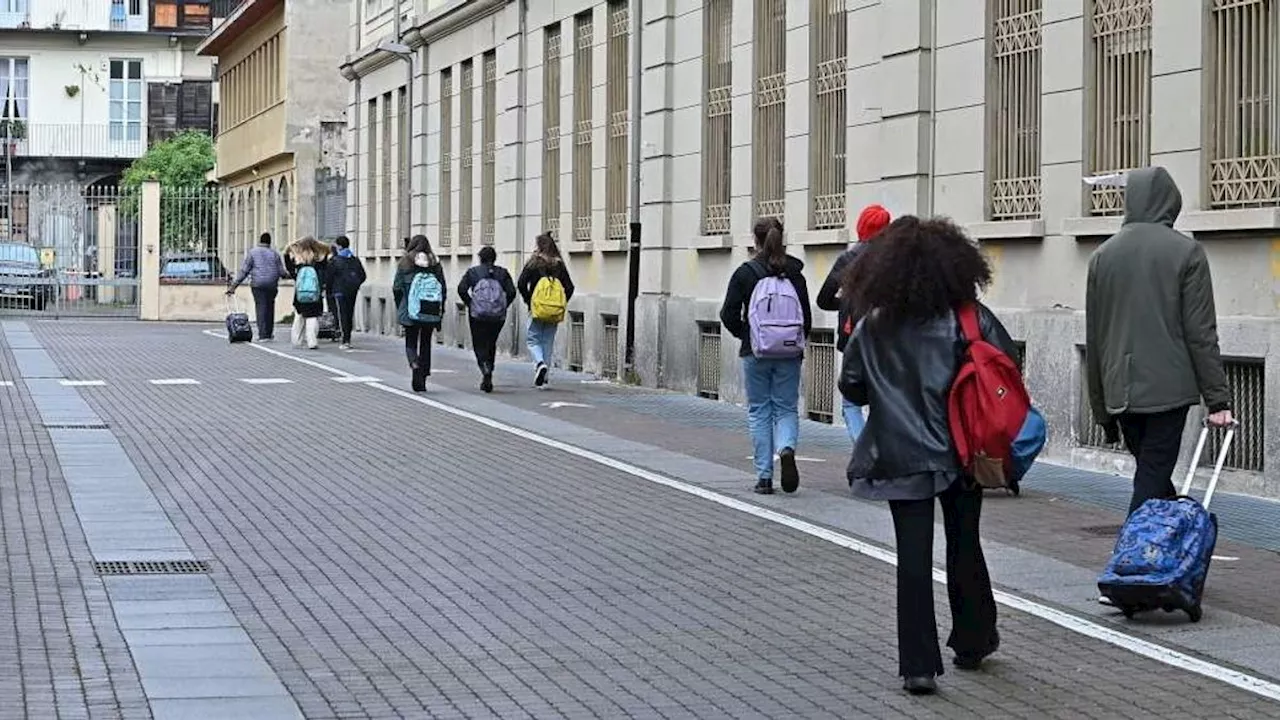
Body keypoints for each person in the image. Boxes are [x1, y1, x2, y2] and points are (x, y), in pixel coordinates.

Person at [839, 216, 1011, 696]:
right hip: (961, 449)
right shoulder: (968, 318)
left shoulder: (873, 325)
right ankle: (974, 638)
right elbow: (1005, 366)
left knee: (912, 559)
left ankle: (918, 665)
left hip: (899, 452)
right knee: (965, 540)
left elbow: (850, 385)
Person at [1087, 166, 1233, 517]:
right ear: (1171, 203)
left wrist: (1101, 409)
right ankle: (1131, 561)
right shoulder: (1187, 253)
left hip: (1119, 388)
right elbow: (1200, 333)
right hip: (1169, 391)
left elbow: (1095, 338)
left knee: (1153, 476)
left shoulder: (1102, 256)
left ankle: (1164, 556)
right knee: (1152, 478)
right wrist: (1218, 400)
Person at [719, 217, 813, 495]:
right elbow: (805, 318)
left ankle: (763, 477)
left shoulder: (746, 273)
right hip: (789, 352)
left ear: (755, 240)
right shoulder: (796, 273)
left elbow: (727, 314)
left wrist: (747, 335)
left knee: (759, 410)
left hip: (756, 351)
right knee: (785, 407)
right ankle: (786, 448)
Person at [816, 204, 892, 443]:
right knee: (881, 403)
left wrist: (847, 303)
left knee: (850, 403)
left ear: (861, 227)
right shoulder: (894, 261)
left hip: (853, 340)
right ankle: (878, 453)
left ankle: (862, 450)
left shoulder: (848, 259)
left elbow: (823, 298)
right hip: (886, 340)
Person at [517, 233, 575, 387]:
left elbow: (521, 283)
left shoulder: (534, 262)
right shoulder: (559, 264)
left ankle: (539, 364)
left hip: (537, 309)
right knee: (548, 341)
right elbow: (570, 287)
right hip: (554, 311)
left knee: (533, 339)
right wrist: (560, 304)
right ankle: (545, 376)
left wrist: (529, 301)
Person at [459, 245, 517, 393]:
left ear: (480, 258)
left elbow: (461, 289)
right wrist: (503, 306)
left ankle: (484, 367)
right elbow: (511, 292)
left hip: (477, 315)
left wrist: (471, 304)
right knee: (491, 343)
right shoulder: (502, 273)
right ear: (494, 258)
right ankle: (489, 370)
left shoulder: (473, 273)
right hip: (497, 316)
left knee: (479, 343)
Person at [393, 235, 446, 392]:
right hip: (430, 309)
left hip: (411, 309)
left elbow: (396, 287)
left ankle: (414, 363)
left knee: (410, 341)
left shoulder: (405, 262)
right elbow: (442, 288)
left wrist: (401, 306)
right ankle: (422, 377)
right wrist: (441, 310)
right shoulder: (435, 262)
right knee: (426, 342)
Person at [226, 232, 287, 341]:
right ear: (269, 242)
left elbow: (244, 271)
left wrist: (233, 286)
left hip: (257, 284)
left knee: (261, 307)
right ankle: (269, 333)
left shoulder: (252, 253)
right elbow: (281, 272)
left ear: (260, 241)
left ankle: (262, 334)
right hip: (272, 285)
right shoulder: (275, 254)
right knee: (270, 307)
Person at [283, 236, 330, 350]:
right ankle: (312, 341)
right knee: (312, 318)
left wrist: (288, 250)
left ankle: (296, 340)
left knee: (299, 317)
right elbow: (328, 252)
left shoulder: (299, 263)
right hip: (315, 293)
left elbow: (289, 269)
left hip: (300, 294)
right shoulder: (319, 261)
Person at [324, 235, 366, 349]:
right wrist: (356, 285)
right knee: (349, 313)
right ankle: (348, 338)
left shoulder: (335, 260)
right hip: (352, 291)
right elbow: (363, 275)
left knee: (342, 314)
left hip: (339, 291)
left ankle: (345, 340)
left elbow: (329, 277)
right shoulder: (355, 259)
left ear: (340, 246)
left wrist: (329, 290)